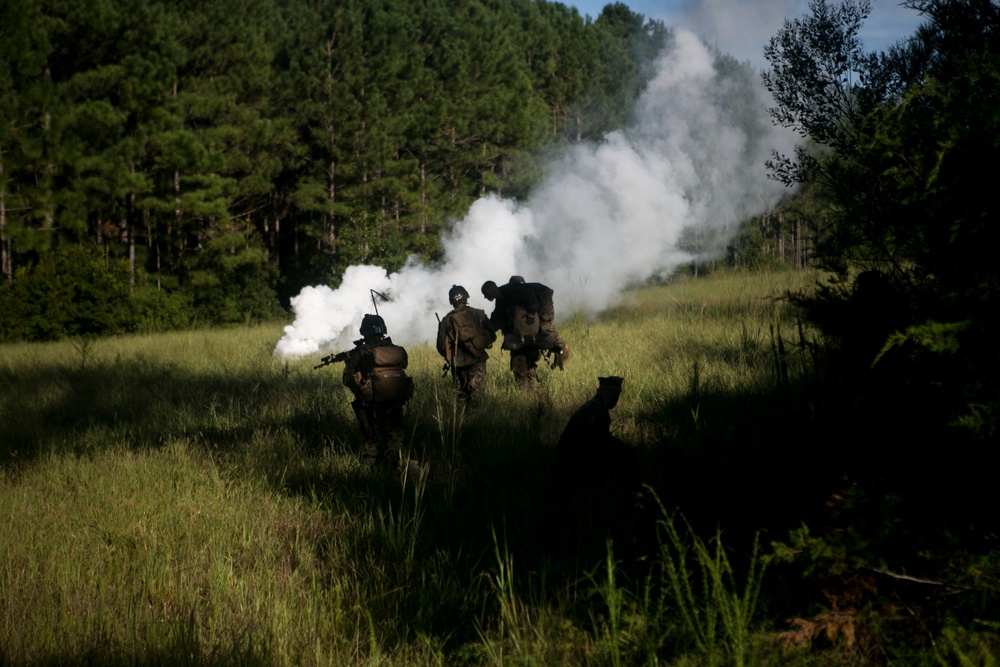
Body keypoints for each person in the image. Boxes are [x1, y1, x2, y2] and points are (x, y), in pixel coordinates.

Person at [341, 314, 414, 471]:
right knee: (394, 436)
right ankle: (393, 464)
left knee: (371, 438)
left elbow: (347, 379)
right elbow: (404, 365)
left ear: (364, 331)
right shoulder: (396, 350)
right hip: (395, 400)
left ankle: (371, 473)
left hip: (370, 403)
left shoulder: (359, 353)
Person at [551, 376, 637, 495]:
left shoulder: (596, 406)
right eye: (614, 395)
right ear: (606, 394)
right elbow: (598, 443)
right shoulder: (596, 409)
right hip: (572, 464)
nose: (616, 399)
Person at [481, 276, 569, 391]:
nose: (485, 297)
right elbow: (498, 317)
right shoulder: (501, 298)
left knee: (546, 327)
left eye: (486, 294)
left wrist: (532, 312)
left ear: (492, 290)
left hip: (543, 297)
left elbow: (530, 297)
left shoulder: (511, 290)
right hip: (535, 304)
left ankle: (562, 346)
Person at [437, 285, 496, 404]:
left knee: (461, 395)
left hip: (457, 362)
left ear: (452, 301)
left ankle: (463, 419)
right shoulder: (479, 314)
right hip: (478, 359)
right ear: (466, 298)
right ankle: (476, 418)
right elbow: (492, 335)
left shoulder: (446, 320)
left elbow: (441, 346)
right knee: (477, 393)